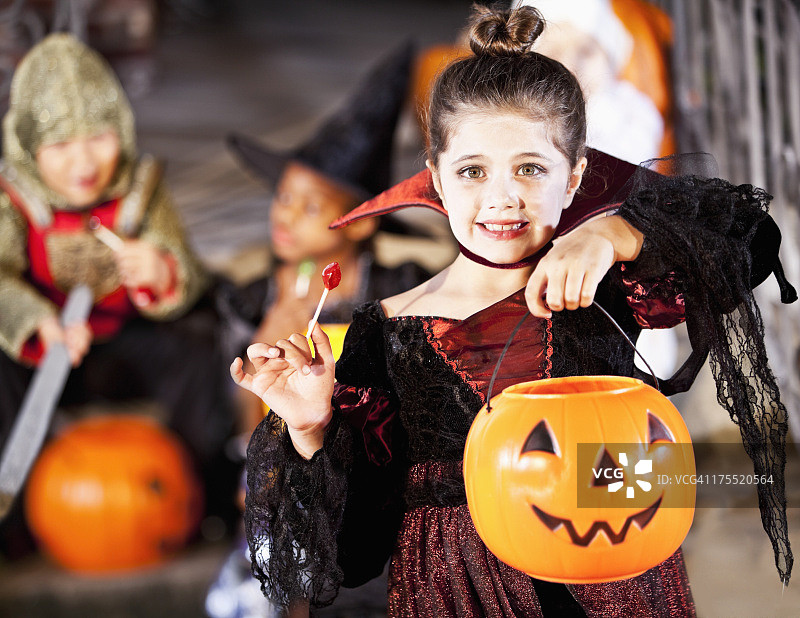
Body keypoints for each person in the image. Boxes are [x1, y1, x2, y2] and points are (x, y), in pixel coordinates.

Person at [232, 6, 795, 616]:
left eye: (531, 168)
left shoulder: (605, 287)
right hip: (454, 597)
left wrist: (615, 235)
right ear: (437, 181)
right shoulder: (387, 331)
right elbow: (352, 555)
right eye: (472, 171)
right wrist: (311, 428)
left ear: (576, 176)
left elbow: (751, 239)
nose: (503, 198)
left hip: (615, 580)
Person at [0, 33, 236, 552]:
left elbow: (191, 273)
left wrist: (161, 271)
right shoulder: (12, 198)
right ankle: (13, 522)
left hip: (125, 343)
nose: (84, 162)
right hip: (46, 352)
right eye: (60, 147)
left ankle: (200, 496)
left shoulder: (140, 188)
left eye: (98, 139)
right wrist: (36, 323)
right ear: (27, 147)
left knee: (196, 342)